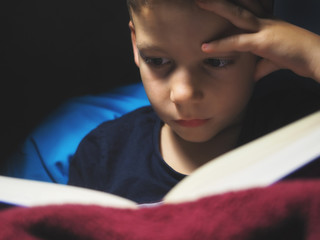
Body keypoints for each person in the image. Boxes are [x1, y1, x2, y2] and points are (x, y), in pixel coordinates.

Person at [68, 0, 320, 204]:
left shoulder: (304, 133)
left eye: (216, 61)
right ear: (135, 45)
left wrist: (313, 54)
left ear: (261, 47)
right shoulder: (101, 158)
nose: (182, 93)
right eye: (156, 61)